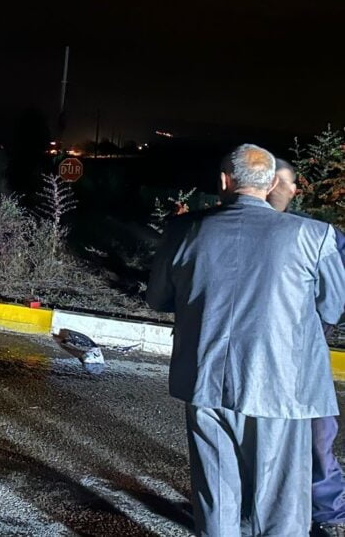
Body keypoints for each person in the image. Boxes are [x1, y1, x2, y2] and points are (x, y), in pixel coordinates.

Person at [147, 144, 345, 536]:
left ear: (224, 181)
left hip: (206, 377)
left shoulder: (184, 230)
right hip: (285, 387)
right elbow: (333, 307)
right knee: (281, 502)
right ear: (272, 183)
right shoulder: (315, 236)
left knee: (216, 493)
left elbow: (158, 299)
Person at [269, 158, 345, 537]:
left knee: (317, 435)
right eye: (284, 182)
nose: (291, 189)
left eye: (291, 183)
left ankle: (327, 509)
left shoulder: (313, 234)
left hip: (301, 356)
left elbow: (333, 300)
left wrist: (310, 337)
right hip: (263, 357)